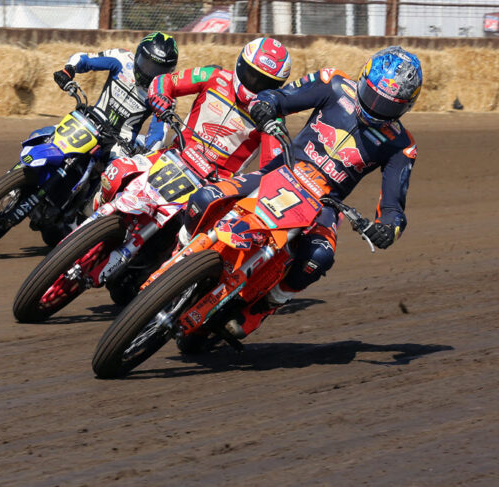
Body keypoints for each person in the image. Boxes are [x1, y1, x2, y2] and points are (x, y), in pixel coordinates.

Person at [181, 46, 423, 340]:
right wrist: (265, 105)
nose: (375, 108)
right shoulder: (332, 82)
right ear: (362, 80)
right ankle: (179, 254)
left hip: (325, 204)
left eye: (388, 106)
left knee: (319, 256)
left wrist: (387, 230)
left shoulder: (402, 145)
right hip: (277, 172)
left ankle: (267, 305)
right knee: (205, 198)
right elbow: (280, 97)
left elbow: (394, 210)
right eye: (372, 96)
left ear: (405, 107)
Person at [96, 37, 292, 208]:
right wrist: (161, 97)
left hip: (215, 186)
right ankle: (94, 213)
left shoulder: (273, 116)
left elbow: (272, 168)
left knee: (199, 237)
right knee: (115, 173)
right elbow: (166, 80)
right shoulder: (214, 76)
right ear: (241, 64)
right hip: (175, 154)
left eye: (264, 82)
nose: (255, 84)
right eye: (251, 75)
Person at [53, 31, 179, 161]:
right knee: (49, 138)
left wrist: (148, 151)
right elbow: (85, 59)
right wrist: (68, 70)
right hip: (91, 120)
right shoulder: (122, 58)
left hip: (120, 144)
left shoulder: (165, 95)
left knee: (111, 179)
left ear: (168, 72)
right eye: (146, 64)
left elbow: (159, 133)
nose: (148, 73)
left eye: (157, 70)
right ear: (138, 54)